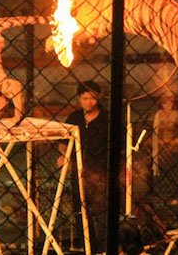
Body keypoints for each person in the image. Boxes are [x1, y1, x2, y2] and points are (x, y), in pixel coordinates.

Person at [65, 80, 109, 254]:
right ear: (79, 99)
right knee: (79, 208)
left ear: (98, 98)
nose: (89, 102)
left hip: (101, 170)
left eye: (92, 98)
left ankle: (103, 247)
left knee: (101, 209)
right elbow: (64, 143)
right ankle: (86, 246)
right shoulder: (74, 118)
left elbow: (119, 147)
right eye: (85, 98)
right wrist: (64, 157)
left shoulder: (107, 118)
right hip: (79, 170)